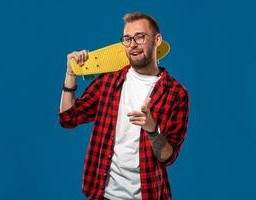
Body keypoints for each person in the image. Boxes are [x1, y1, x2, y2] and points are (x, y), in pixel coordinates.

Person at [59, 12, 189, 200]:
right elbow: (68, 118)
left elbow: (167, 157)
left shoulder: (176, 93)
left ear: (157, 40)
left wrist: (153, 130)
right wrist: (71, 74)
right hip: (103, 195)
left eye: (140, 37)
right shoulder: (109, 81)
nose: (133, 45)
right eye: (127, 39)